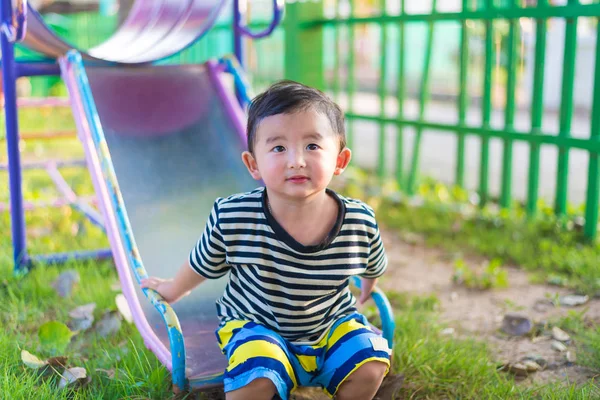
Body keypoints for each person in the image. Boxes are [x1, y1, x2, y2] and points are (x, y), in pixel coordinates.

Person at [141, 80, 391, 400]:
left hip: (330, 323)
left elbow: (372, 267)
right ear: (253, 164)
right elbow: (203, 263)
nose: (296, 160)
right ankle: (268, 374)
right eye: (278, 148)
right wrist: (172, 289)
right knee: (254, 378)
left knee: (369, 364)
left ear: (340, 161)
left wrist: (367, 292)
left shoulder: (359, 220)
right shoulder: (234, 216)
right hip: (256, 325)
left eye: (312, 146)